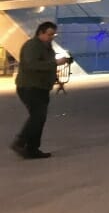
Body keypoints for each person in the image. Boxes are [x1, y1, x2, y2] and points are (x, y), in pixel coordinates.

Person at [11, 21, 69, 159]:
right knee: (38, 116)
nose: (52, 37)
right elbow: (32, 64)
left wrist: (57, 81)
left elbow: (48, 67)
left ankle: (32, 149)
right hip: (29, 87)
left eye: (54, 34)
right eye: (49, 34)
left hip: (41, 88)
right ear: (40, 32)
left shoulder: (48, 48)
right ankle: (21, 142)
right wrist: (55, 62)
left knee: (39, 118)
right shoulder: (32, 46)